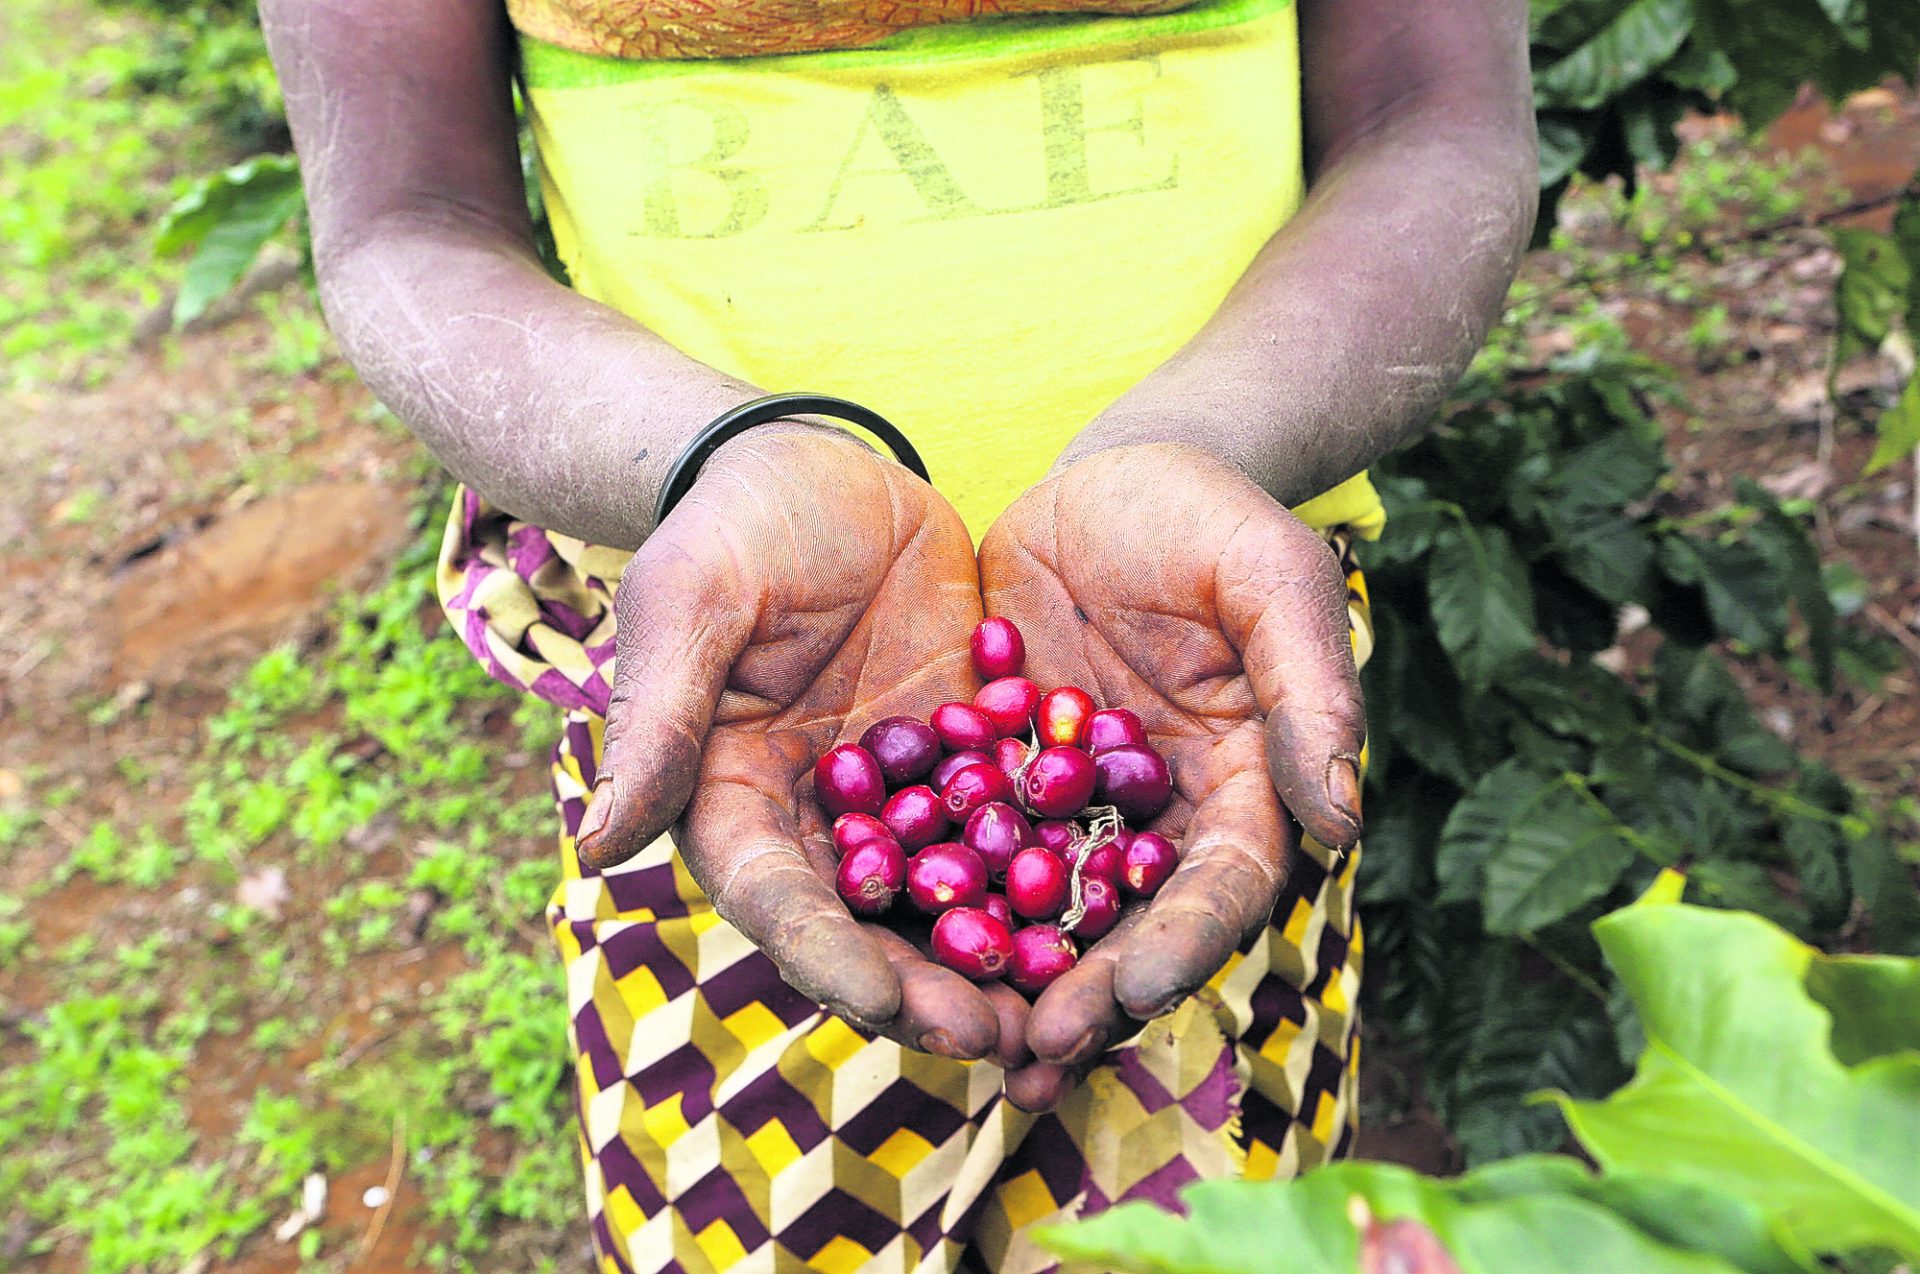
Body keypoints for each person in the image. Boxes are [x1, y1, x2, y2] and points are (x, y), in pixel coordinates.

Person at [261, 0, 1535, 1267]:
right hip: (726, 690)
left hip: (1210, 675)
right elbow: (405, 223)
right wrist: (721, 461)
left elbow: (1433, 124)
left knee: (1227, 1225)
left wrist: (1200, 446)